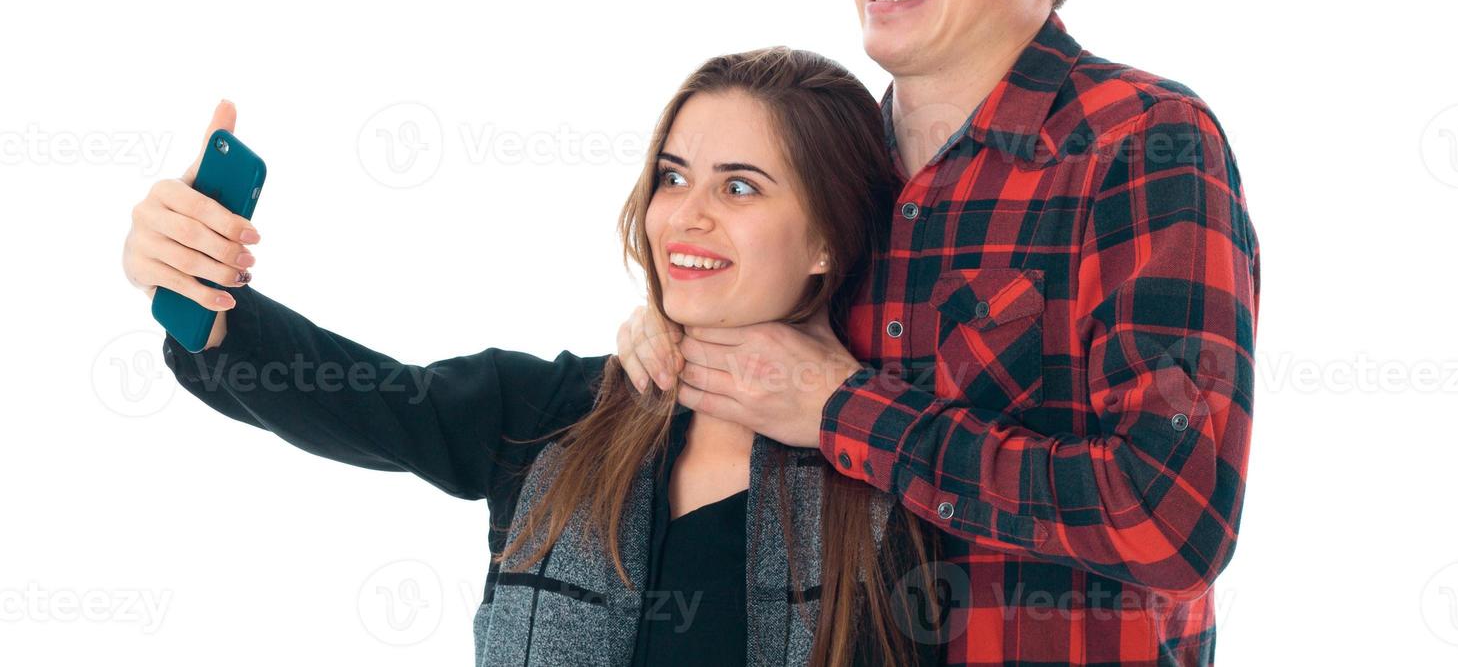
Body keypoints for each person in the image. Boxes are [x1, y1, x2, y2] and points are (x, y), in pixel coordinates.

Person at [617, 0, 1261, 667]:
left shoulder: (1144, 144)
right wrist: (668, 329)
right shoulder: (833, 158)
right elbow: (760, 376)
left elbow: (1169, 520)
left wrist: (844, 407)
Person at [121, 49, 951, 667]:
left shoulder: (896, 476)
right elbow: (361, 398)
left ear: (826, 238)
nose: (684, 216)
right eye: (672, 177)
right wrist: (203, 293)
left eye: (739, 187)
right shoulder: (558, 414)